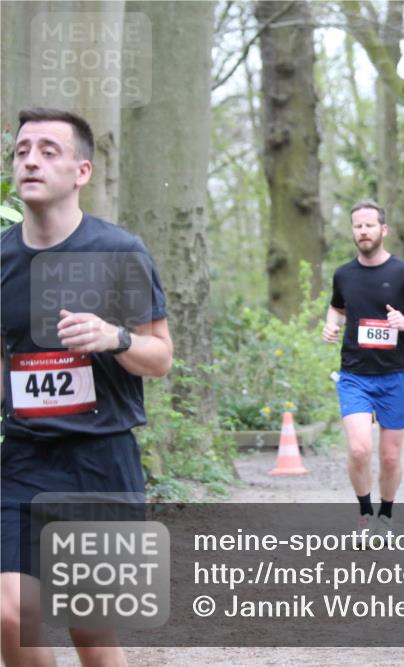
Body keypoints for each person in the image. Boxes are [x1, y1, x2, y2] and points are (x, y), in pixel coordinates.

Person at [1, 108, 173, 666]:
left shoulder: (120, 252)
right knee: (9, 616)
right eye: (23, 149)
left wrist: (114, 337)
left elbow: (160, 357)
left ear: (82, 171)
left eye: (49, 150)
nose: (31, 159)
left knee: (90, 631)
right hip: (24, 458)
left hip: (100, 460)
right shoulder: (2, 257)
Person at [322, 200, 404, 545]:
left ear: (383, 230)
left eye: (370, 225)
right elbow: (336, 307)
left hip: (395, 376)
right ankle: (364, 513)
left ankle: (385, 515)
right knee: (359, 449)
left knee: (389, 456)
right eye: (358, 226)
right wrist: (331, 326)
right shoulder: (344, 274)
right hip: (355, 375)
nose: (363, 231)